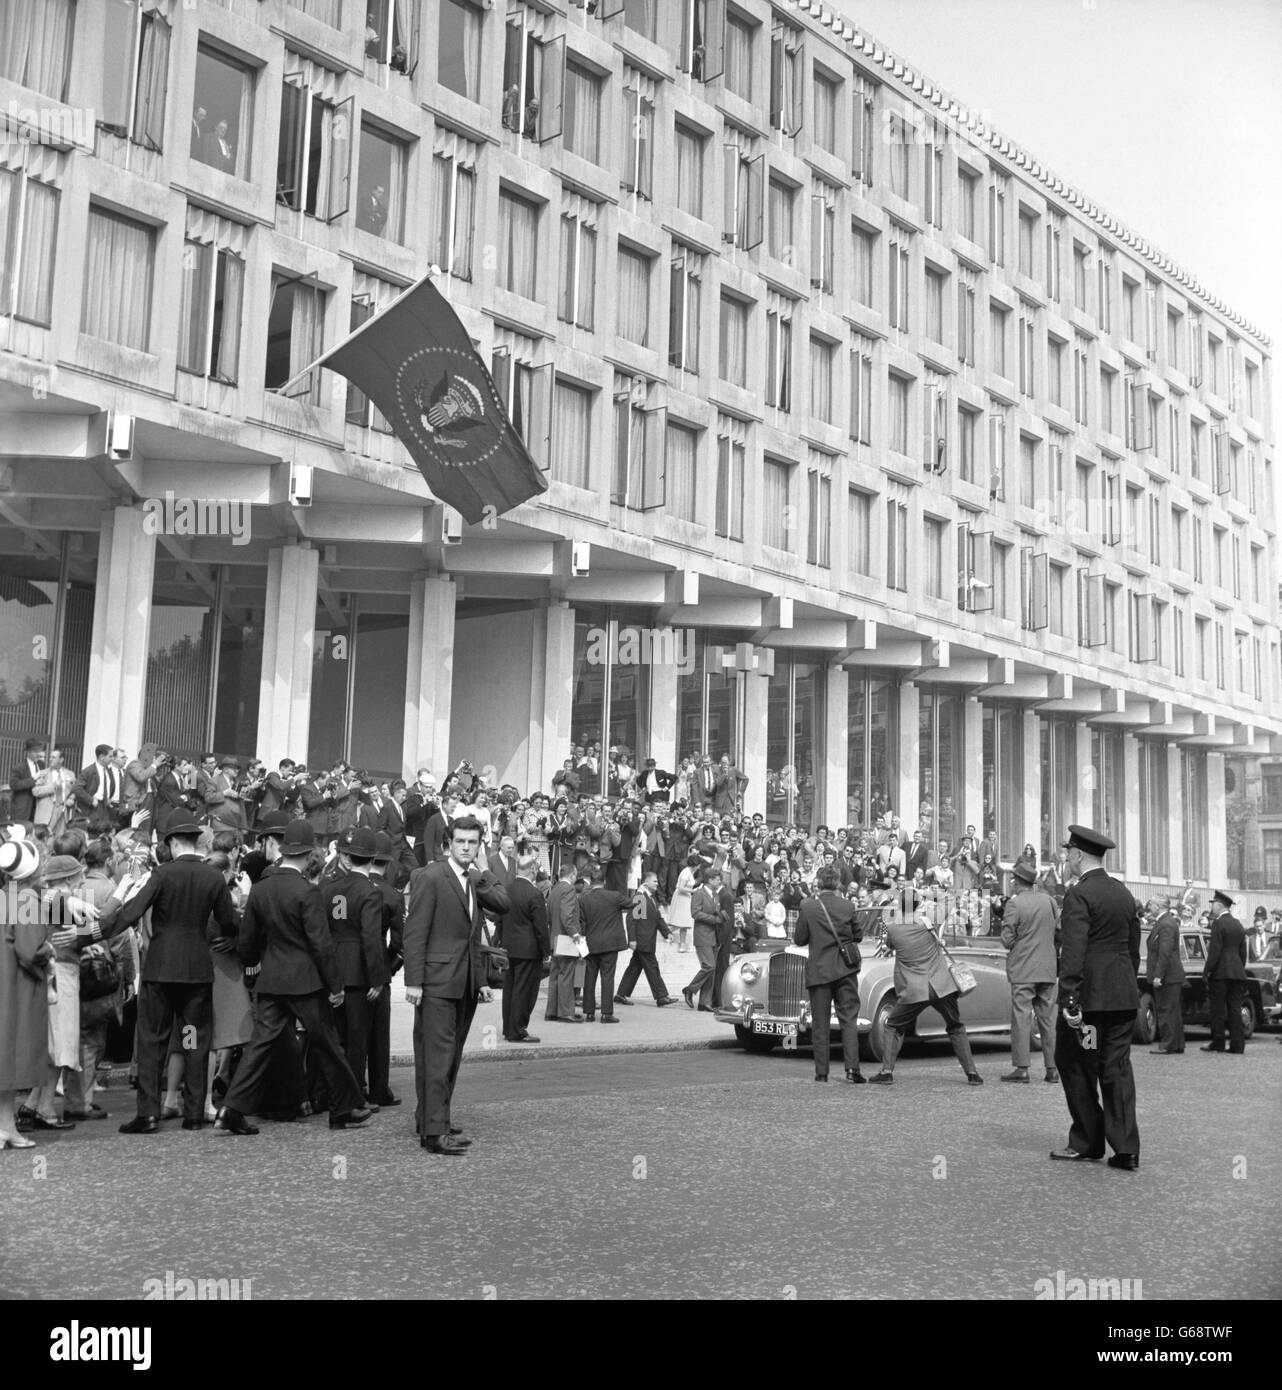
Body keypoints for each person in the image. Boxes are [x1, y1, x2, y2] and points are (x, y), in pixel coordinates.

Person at [215, 820, 373, 1136]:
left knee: (260, 1045)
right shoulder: (307, 891)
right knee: (328, 1042)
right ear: (308, 852)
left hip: (272, 978)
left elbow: (247, 941)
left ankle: (231, 1109)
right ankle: (343, 1107)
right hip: (305, 980)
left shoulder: (260, 889)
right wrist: (335, 984)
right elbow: (321, 943)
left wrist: (254, 965)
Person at [112, 816, 238, 1133]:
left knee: (153, 1040)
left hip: (161, 968)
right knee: (194, 1039)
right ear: (196, 842)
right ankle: (194, 1113)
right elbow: (229, 921)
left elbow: (131, 913)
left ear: (171, 843)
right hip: (197, 969)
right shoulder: (213, 877)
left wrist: (96, 934)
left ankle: (149, 1113)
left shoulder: (161, 874)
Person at [403, 815, 509, 1154]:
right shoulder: (431, 876)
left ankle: (435, 1118)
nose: (466, 847)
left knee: (451, 1058)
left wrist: (479, 981)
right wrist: (414, 982)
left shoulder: (473, 880)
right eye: (460, 841)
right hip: (435, 984)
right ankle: (433, 1134)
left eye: (472, 842)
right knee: (437, 1058)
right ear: (449, 842)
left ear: (480, 846)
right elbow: (415, 932)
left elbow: (483, 926)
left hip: (464, 982)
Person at [1050, 824, 1141, 1170]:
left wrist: (1070, 1000)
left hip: (1091, 1000)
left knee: (1075, 1063)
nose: (1066, 859)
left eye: (1067, 853)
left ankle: (1088, 1140)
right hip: (1122, 995)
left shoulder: (1078, 895)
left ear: (1077, 855)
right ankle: (1125, 1148)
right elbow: (1132, 949)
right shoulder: (1122, 893)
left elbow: (1073, 951)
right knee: (1116, 1068)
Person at [868, 898, 983, 1086]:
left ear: (899, 906)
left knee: (893, 1025)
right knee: (955, 1026)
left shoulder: (894, 927)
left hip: (914, 989)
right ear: (917, 904)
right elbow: (949, 902)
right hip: (942, 986)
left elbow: (889, 946)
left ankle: (887, 1071)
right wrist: (932, 897)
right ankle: (972, 1073)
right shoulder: (929, 919)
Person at [324, 827, 389, 1105]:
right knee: (357, 1041)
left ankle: (333, 1093)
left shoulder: (330, 887)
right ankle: (352, 1096)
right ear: (373, 858)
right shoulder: (370, 892)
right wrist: (377, 978)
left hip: (334, 968)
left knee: (337, 1038)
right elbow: (371, 939)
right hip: (359, 973)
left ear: (348, 856)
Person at [0, 836, 51, 1148]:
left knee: (4, 1060)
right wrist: (51, 955)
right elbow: (30, 950)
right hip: (18, 988)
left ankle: (6, 1126)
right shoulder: (27, 899)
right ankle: (6, 1127)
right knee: (13, 1059)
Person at [794, 866, 864, 1084]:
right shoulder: (848, 906)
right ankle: (852, 1070)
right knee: (848, 1021)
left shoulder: (808, 907)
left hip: (820, 970)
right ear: (837, 884)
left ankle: (821, 1072)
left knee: (820, 1024)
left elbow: (799, 939)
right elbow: (858, 936)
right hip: (845, 969)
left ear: (818, 883)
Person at [999, 861, 1060, 1084]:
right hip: (1047, 967)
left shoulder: (1014, 905)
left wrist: (1020, 944)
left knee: (1021, 1018)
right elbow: (1058, 931)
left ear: (1016, 881)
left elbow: (1007, 939)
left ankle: (1022, 1068)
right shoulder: (1050, 901)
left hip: (1023, 969)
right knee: (1047, 1019)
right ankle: (1052, 1068)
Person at [495, 852, 549, 1043]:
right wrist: (546, 951)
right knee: (524, 991)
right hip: (529, 949)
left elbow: (500, 919)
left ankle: (508, 1028)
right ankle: (518, 1029)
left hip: (509, 947)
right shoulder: (534, 894)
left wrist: (498, 942)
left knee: (510, 989)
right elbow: (541, 926)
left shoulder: (506, 889)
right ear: (533, 870)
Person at [614, 872, 677, 1007]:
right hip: (643, 940)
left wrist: (667, 933)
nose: (657, 884)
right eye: (654, 881)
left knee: (634, 968)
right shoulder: (640, 898)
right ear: (646, 882)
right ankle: (661, 996)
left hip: (646, 939)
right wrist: (632, 939)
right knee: (652, 967)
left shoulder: (650, 898)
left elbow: (658, 918)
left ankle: (620, 994)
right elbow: (632, 919)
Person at [577, 868, 631, 1023]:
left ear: (591, 882)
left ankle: (589, 1012)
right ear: (604, 881)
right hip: (610, 943)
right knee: (607, 978)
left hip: (591, 943)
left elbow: (580, 921)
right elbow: (632, 904)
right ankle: (607, 1013)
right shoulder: (614, 896)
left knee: (589, 978)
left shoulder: (583, 899)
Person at [1201, 889, 1248, 1055]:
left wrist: (1207, 971)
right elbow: (1243, 952)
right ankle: (1237, 1044)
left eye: (1213, 903)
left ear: (1219, 905)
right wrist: (1239, 968)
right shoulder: (1238, 924)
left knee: (1218, 1009)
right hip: (1237, 972)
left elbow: (1215, 951)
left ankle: (1218, 1041)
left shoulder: (1218, 924)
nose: (1212, 906)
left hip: (1221, 973)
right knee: (1235, 1009)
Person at [544, 861, 584, 1024]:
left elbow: (549, 915)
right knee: (567, 976)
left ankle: (552, 1011)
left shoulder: (554, 889)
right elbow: (567, 916)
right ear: (572, 875)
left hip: (555, 938)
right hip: (567, 939)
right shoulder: (568, 889)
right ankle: (566, 1012)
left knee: (555, 976)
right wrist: (575, 934)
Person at [1146, 895, 1185, 1055]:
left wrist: (1158, 976)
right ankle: (1176, 1044)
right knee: (1172, 1011)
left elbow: (1165, 952)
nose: (1150, 907)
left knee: (1166, 1010)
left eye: (1152, 904)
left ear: (1158, 906)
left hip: (1167, 975)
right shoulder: (1166, 922)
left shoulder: (1166, 924)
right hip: (1171, 975)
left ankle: (1168, 1044)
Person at [682, 868, 722, 1012]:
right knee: (708, 966)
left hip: (714, 936)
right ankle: (690, 989)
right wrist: (714, 919)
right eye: (717, 879)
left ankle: (705, 1002)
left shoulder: (716, 895)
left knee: (711, 970)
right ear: (710, 880)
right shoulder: (699, 893)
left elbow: (716, 911)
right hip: (702, 935)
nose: (719, 881)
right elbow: (695, 913)